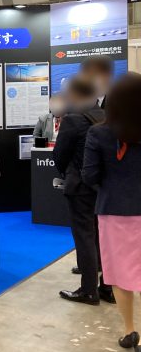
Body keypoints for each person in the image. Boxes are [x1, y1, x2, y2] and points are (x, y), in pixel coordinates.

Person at [83, 73, 141, 352]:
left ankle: (130, 330)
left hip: (114, 211)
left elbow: (89, 175)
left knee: (119, 273)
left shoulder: (98, 133)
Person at [53, 74, 111, 305]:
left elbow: (60, 155)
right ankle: (107, 286)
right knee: (103, 236)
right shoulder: (107, 116)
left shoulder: (73, 120)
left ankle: (88, 290)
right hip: (104, 186)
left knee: (85, 236)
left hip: (80, 187)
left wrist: (67, 173)